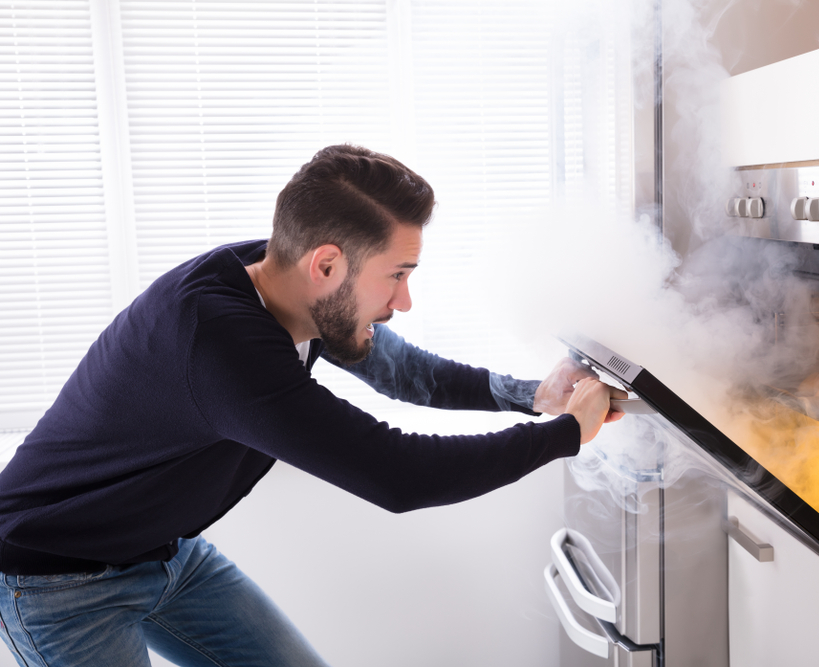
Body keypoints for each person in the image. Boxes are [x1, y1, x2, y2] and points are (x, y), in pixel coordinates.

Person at [0, 144, 625, 667]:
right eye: (397, 275)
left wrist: (533, 399)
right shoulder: (218, 343)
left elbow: (406, 373)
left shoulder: (282, 278)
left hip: (168, 554)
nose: (403, 302)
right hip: (57, 581)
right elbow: (397, 473)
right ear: (327, 263)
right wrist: (566, 434)